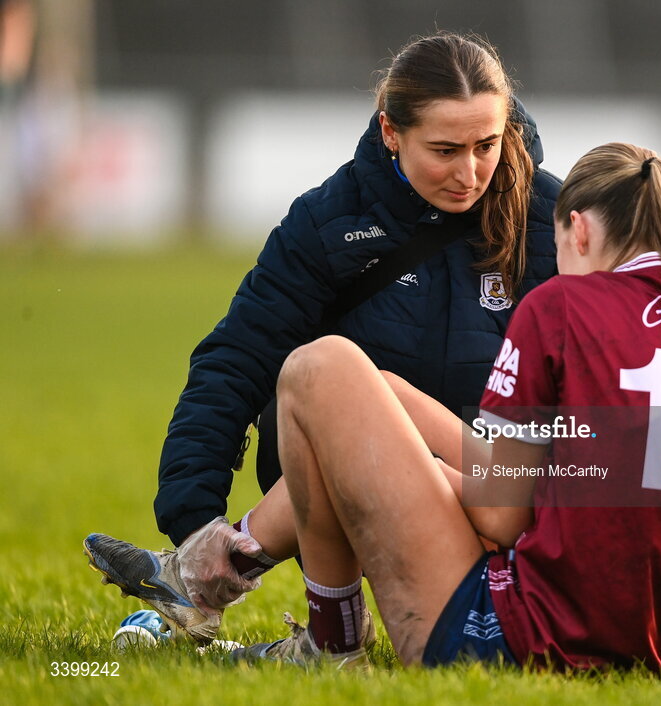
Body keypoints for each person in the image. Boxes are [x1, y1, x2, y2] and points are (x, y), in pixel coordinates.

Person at [120, 141, 661, 677]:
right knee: (386, 395)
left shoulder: (565, 305)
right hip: (639, 648)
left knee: (321, 370)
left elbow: (501, 517)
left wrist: (414, 476)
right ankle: (207, 574)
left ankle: (324, 639)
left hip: (503, 633)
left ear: (575, 229)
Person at [84, 31, 560, 640]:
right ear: (391, 132)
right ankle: (263, 596)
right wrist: (193, 513)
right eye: (445, 150)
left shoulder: (555, 219)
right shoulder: (329, 222)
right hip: (360, 495)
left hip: (509, 496)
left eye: (486, 146)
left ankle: (206, 586)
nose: (470, 173)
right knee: (327, 377)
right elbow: (237, 359)